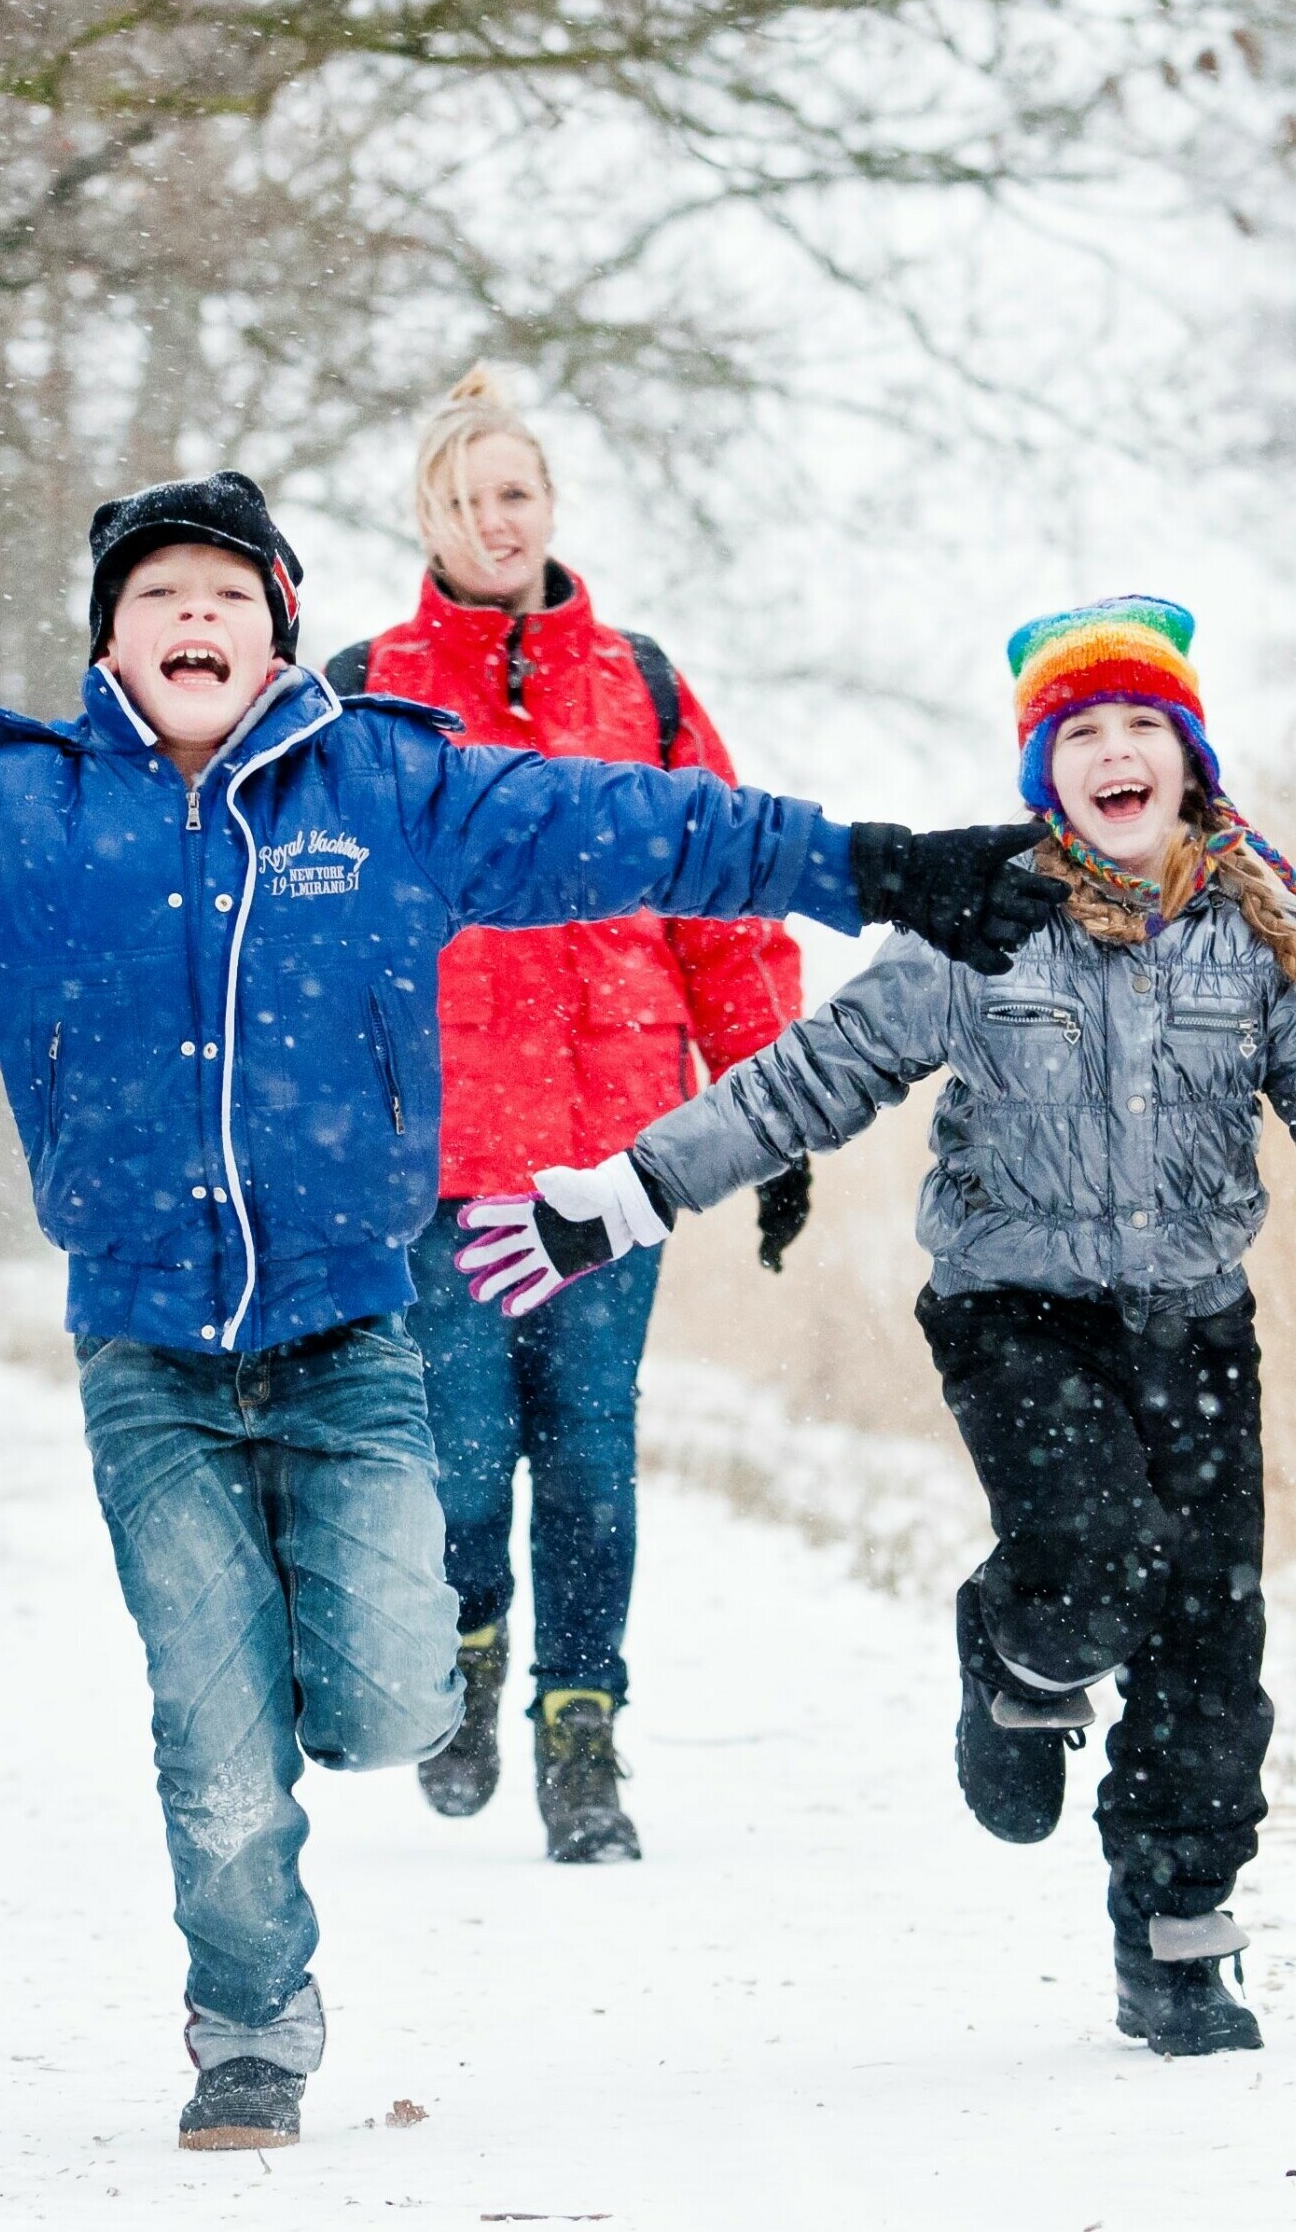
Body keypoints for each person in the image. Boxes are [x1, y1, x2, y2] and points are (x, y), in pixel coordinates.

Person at [0, 472, 1074, 2148]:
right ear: (111, 643)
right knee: (215, 1742)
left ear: (282, 632)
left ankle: (328, 1645)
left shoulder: (393, 793)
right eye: (160, 597)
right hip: (147, 1357)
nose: (195, 617)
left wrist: (870, 865)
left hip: (349, 1341)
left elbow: (632, 826)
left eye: (229, 593)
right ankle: (249, 2019)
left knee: (388, 1704)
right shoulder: (19, 821)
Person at [449, 593, 1296, 2059]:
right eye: (1079, 732)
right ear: (1045, 772)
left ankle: (1175, 1942)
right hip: (1012, 1312)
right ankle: (1017, 1657)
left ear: (1190, 756)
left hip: (1197, 1326)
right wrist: (630, 1192)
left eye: (1140, 725)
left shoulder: (1257, 941)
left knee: (1211, 1644)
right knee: (1094, 1555)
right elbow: (807, 1080)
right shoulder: (985, 924)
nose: (1113, 753)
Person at [323, 371, 809, 1863]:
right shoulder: (359, 691)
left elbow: (722, 896)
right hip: (442, 1155)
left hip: (618, 1147)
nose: (494, 518)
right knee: (461, 1450)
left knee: (591, 1449)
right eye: (465, 497)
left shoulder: (640, 687)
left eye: (515, 491)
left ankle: (581, 1734)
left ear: (549, 507)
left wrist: (768, 1109)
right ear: (431, 518)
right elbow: (306, 926)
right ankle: (467, 1660)